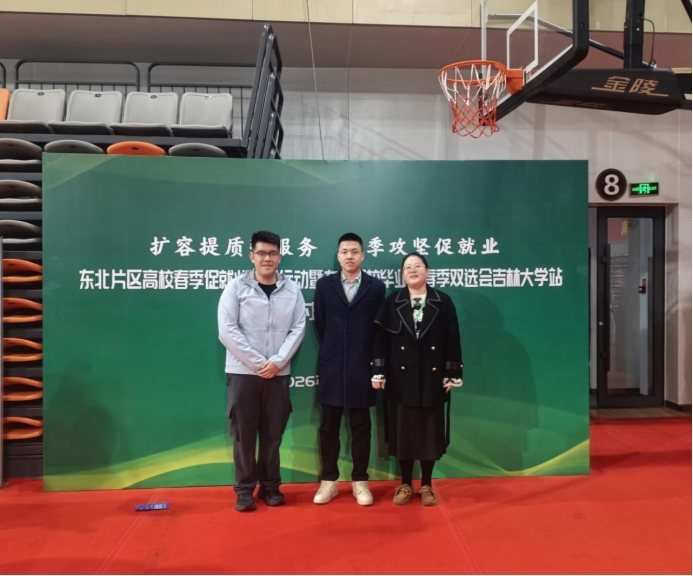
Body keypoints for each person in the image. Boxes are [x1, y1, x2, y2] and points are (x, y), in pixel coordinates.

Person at [218, 231, 306, 512]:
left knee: (273, 434)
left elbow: (298, 328)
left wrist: (277, 362)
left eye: (272, 253)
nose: (267, 258)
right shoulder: (236, 287)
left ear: (280, 257)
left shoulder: (292, 290)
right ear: (251, 256)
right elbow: (227, 330)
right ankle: (244, 489)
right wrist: (258, 363)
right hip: (243, 373)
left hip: (277, 373)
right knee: (243, 435)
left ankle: (270, 486)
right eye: (261, 253)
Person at [372, 252, 463, 506]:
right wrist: (378, 371)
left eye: (417, 266)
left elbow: (453, 340)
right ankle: (404, 484)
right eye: (407, 267)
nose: (412, 270)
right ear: (403, 274)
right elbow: (380, 341)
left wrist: (452, 375)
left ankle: (426, 485)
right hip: (400, 380)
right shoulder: (393, 302)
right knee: (404, 435)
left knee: (428, 435)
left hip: (432, 379)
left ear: (427, 271)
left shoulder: (442, 301)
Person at [312, 233, 386, 506]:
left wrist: (374, 364)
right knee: (328, 427)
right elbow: (321, 323)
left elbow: (379, 329)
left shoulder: (376, 287)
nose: (349, 256)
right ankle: (329, 482)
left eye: (354, 251)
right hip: (332, 366)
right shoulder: (325, 285)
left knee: (361, 427)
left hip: (362, 368)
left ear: (363, 255)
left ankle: (360, 482)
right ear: (338, 255)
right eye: (344, 251)